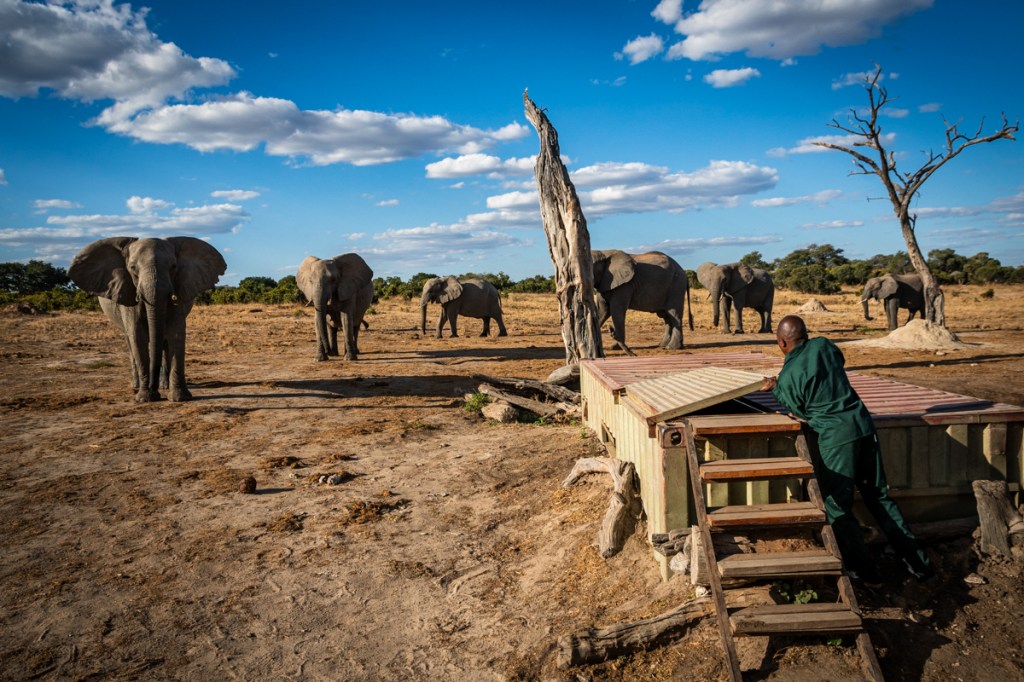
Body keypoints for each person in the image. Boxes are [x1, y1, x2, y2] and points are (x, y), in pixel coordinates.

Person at [761, 315, 933, 586]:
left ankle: (864, 571)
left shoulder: (789, 375)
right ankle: (918, 563)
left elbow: (798, 409)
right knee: (879, 496)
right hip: (863, 426)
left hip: (836, 438)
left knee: (837, 505)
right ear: (805, 334)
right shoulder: (825, 345)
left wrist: (775, 389)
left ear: (781, 342)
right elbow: (834, 365)